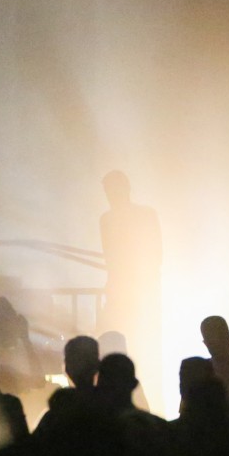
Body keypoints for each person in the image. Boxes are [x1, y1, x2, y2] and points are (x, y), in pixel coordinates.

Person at [97, 171, 162, 409]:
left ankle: (143, 400)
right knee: (130, 343)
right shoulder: (110, 219)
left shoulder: (135, 216)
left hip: (136, 292)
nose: (111, 196)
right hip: (128, 291)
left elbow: (154, 254)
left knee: (137, 344)